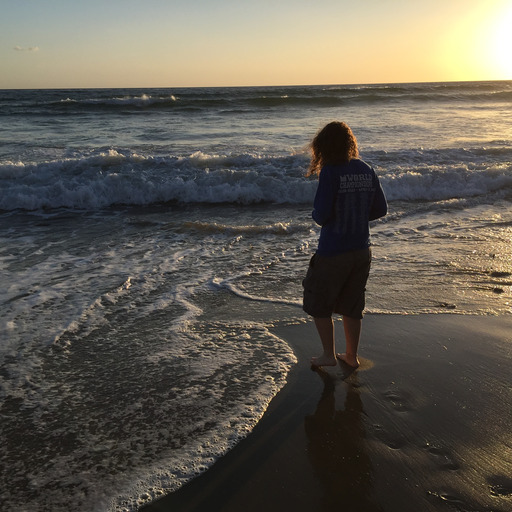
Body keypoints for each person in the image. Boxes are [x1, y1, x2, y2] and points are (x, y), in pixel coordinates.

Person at [302, 121, 387, 369]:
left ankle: (329, 354)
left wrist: (317, 214)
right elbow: (381, 209)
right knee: (352, 304)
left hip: (333, 251)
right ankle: (351, 356)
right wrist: (358, 216)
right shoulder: (366, 169)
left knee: (319, 302)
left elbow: (322, 215)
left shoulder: (329, 171)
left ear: (324, 147)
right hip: (361, 249)